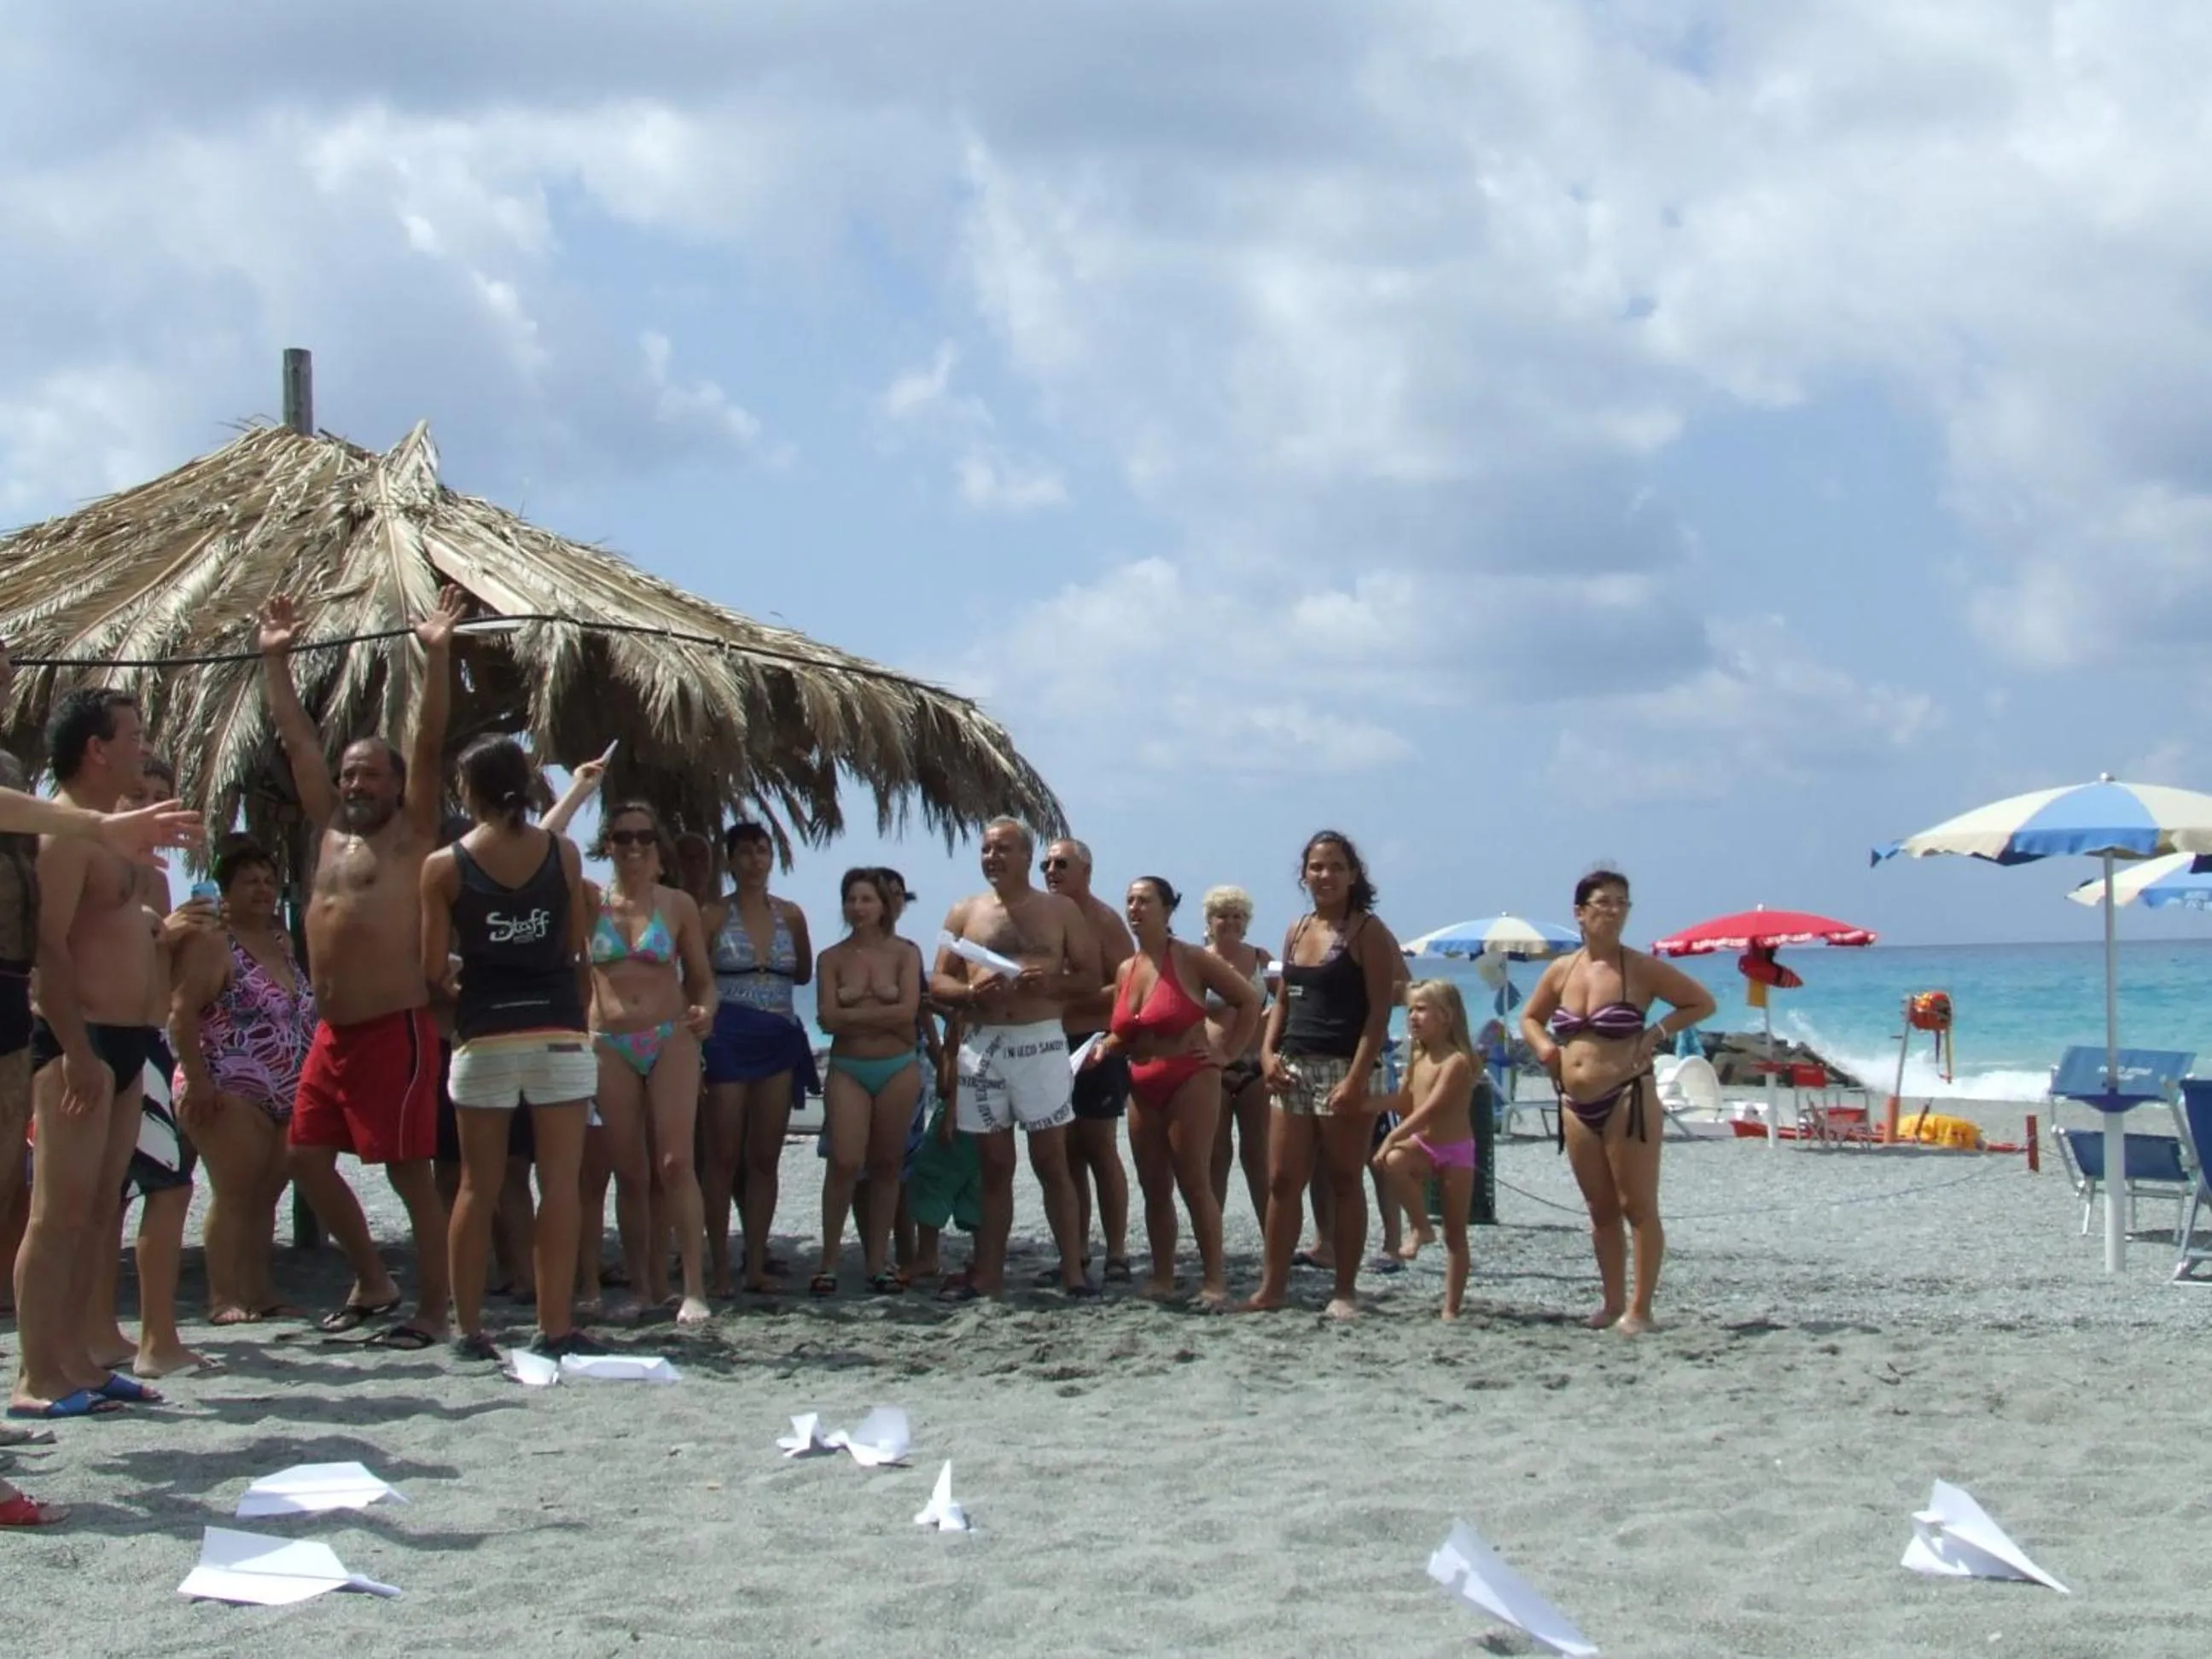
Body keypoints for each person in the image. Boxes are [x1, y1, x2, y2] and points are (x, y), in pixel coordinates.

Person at [259, 587, 465, 1350]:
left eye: (370, 775)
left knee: (410, 1175)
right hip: (332, 1032)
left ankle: (435, 1309)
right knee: (306, 1160)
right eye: (349, 774)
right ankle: (374, 1280)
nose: (354, 785)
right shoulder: (328, 830)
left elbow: (430, 738)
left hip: (393, 1029)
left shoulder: (411, 832)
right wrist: (276, 659)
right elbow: (296, 741)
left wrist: (436, 654)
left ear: (396, 784)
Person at [10, 689, 163, 1417]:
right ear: (96, 749)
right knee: (57, 1214)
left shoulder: (113, 831)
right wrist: (74, 1047)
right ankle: (35, 1375)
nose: (143, 746)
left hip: (127, 1041)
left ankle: (78, 1358)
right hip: (81, 1038)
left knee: (100, 1211)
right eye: (132, 735)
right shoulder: (65, 831)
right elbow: (48, 945)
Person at [421, 737, 599, 1359]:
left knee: (477, 1185)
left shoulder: (444, 866)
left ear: (468, 791)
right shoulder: (562, 853)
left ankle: (469, 1329)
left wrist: (463, 976)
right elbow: (574, 945)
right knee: (560, 1183)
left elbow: (433, 970)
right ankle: (556, 1326)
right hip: (557, 1029)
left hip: (486, 1031)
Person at [1522, 869, 1714, 1335]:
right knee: (1600, 1209)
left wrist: (1655, 1033)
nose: (1613, 911)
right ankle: (1611, 1303)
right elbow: (1529, 1017)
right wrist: (1546, 1050)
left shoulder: (1640, 968)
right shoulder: (1562, 970)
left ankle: (1640, 1308)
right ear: (1580, 912)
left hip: (1627, 1094)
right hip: (1574, 1102)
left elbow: (1700, 1003)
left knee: (1637, 1205)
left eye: (1622, 903)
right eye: (1604, 902)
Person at [928, 818, 1098, 1301]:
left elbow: (1090, 977)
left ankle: (1073, 1271)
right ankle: (988, 1273)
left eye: (1003, 849)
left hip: (1039, 1042)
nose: (992, 858)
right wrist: (969, 991)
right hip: (983, 1045)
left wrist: (1050, 984)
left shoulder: (1060, 910)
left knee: (1051, 1160)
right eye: (986, 849)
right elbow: (937, 982)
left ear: (1026, 856)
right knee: (994, 1164)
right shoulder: (964, 911)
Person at [84, 754, 208, 1379]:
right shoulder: (101, 862)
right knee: (163, 1187)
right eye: (138, 795)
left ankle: (106, 1331)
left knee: (118, 1193)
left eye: (161, 795)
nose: (150, 807)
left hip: (147, 1036)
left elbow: (160, 972)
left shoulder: (153, 874)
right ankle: (152, 1338)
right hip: (111, 1035)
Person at [1246, 830, 1400, 1321]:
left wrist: (1356, 1079)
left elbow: (1380, 1012)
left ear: (1353, 875)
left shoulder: (1368, 932)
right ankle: (1272, 1288)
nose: (1325, 875)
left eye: (1335, 866)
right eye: (1316, 866)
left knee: (1344, 1178)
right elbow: (1284, 999)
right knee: (1282, 1180)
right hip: (1293, 1065)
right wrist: (1266, 1053)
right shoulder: (1297, 929)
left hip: (1346, 1067)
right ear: (1304, 875)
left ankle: (1345, 1290)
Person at [1091, 878, 1260, 1306]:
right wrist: (1105, 1047)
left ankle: (1214, 1280)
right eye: (1130, 901)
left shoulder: (1190, 958)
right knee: (1153, 1184)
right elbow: (1123, 1032)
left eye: (1144, 901)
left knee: (1194, 1180)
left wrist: (1228, 1053)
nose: (1134, 908)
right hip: (1141, 1079)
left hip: (1190, 1075)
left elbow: (1248, 1000)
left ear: (1167, 911)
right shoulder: (1127, 969)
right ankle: (1163, 1276)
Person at [170, 836, 317, 1325]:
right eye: (249, 881)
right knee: (234, 1194)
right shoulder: (215, 943)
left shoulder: (281, 943)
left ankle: (260, 1291)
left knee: (265, 1197)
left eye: (269, 881)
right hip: (225, 1084)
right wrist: (198, 1079)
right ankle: (222, 1296)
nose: (262, 889)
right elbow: (181, 1013)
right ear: (225, 890)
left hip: (285, 1088)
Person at [584, 803, 717, 1325]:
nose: (634, 846)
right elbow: (537, 849)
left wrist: (707, 1010)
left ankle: (693, 1288)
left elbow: (702, 978)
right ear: (608, 845)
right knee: (630, 1172)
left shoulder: (677, 904)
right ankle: (643, 1286)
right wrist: (579, 791)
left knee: (676, 1163)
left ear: (658, 848)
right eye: (623, 837)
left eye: (644, 837)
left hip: (669, 1036)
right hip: (608, 1040)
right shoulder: (588, 901)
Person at [699, 822, 812, 1296]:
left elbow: (803, 973)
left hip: (778, 1035)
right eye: (744, 852)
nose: (754, 860)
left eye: (762, 851)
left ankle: (755, 1262)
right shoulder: (712, 914)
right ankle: (719, 1267)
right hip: (727, 1034)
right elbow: (696, 975)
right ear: (730, 860)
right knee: (722, 1155)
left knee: (765, 1156)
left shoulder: (791, 915)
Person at [812, 868, 923, 1294]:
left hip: (897, 1067)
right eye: (851, 899)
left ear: (883, 905)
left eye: (866, 899)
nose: (858, 908)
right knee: (844, 1162)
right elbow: (826, 1019)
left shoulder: (905, 954)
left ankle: (877, 1261)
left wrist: (853, 1016)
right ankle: (829, 1261)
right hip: (849, 1069)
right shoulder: (831, 959)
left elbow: (908, 1013)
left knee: (887, 1164)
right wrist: (883, 1017)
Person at [1041, 838, 1133, 1285]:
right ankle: (1073, 1252)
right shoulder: (1041, 918)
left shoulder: (1104, 920)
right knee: (1063, 1153)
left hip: (1095, 1041)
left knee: (1099, 1147)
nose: (1051, 871)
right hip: (1049, 1044)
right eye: (1046, 865)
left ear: (1086, 872)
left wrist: (1069, 995)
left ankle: (1116, 1251)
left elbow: (1129, 984)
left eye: (1061, 864)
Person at [1371, 980, 1481, 1320]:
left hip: (1456, 1151)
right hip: (1423, 1146)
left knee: (1455, 1233)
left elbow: (1431, 1108)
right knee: (1394, 1162)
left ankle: (1451, 1306)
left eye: (1421, 1010)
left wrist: (1391, 1136)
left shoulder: (1457, 1061)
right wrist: (1363, 1104)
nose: (1412, 1017)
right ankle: (1420, 1227)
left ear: (1446, 1016)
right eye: (1410, 1010)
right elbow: (1405, 1102)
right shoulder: (1417, 1057)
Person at [1200, 885, 1276, 1229]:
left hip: (1254, 1066)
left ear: (1246, 922)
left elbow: (1289, 1000)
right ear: (1209, 921)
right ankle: (1212, 1241)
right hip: (1212, 1067)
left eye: (1237, 916)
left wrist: (1270, 1022)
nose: (1230, 922)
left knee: (1258, 1156)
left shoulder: (1260, 958)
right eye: (1222, 915)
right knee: (1215, 1156)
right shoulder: (1198, 960)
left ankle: (1273, 1240)